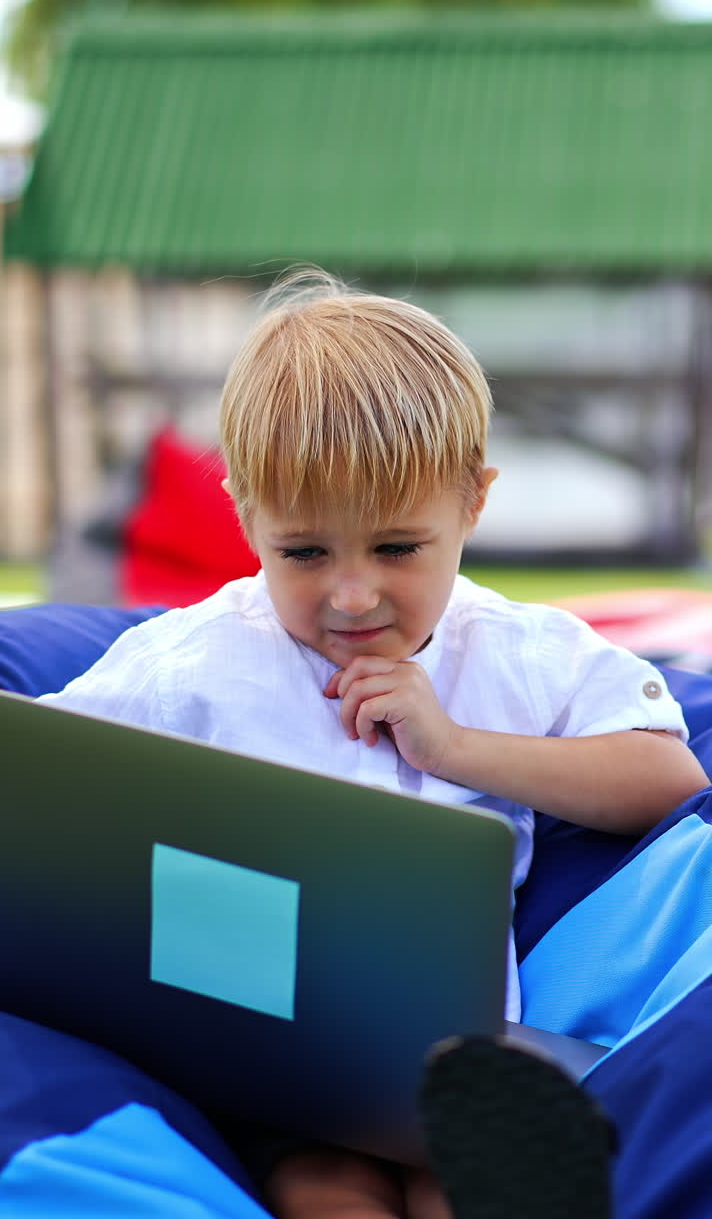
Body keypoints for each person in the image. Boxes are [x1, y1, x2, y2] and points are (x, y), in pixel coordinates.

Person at [38, 270, 708, 1218]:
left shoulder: (520, 653)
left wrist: (455, 746)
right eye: (305, 553)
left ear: (473, 504)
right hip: (267, 1048)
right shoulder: (191, 661)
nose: (353, 596)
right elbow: (42, 774)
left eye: (398, 548)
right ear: (245, 514)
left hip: (454, 1066)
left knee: (456, 1191)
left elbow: (662, 775)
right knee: (328, 1189)